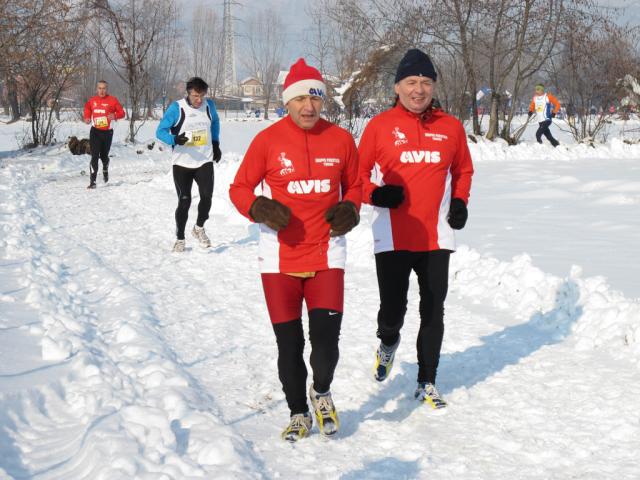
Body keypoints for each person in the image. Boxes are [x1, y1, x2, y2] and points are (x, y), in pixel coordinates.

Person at [229, 58, 361, 442]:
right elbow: (239, 188)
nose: (308, 107)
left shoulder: (339, 140)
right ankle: (298, 412)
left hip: (327, 254)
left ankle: (321, 393)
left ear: (323, 102)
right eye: (300, 99)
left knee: (325, 345)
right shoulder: (267, 141)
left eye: (315, 99)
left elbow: (356, 185)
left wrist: (351, 207)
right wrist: (257, 207)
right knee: (289, 345)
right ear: (287, 102)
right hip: (278, 259)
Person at [358, 49, 474, 409]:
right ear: (397, 87)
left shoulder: (451, 127)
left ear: (433, 86)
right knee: (393, 310)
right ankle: (388, 341)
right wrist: (376, 194)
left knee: (434, 308)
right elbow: (354, 178)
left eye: (426, 82)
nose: (419, 90)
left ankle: (427, 380)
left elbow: (463, 171)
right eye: (411, 82)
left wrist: (460, 202)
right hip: (392, 235)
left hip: (436, 235)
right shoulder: (379, 127)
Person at [156, 77, 221, 252]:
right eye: (195, 96)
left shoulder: (209, 106)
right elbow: (160, 131)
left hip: (204, 160)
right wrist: (174, 139)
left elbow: (215, 122)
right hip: (182, 163)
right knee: (184, 201)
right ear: (188, 93)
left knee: (207, 197)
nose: (199, 100)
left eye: (202, 96)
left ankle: (199, 228)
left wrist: (215, 143)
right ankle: (180, 239)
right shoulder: (177, 108)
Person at [83, 80, 125, 189]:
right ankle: (93, 182)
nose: (102, 91)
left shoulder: (113, 100)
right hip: (95, 132)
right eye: (100, 88)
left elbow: (122, 113)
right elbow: (87, 108)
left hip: (107, 133)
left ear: (107, 89)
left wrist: (115, 116)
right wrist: (87, 117)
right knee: (94, 156)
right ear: (97, 89)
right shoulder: (92, 100)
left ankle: (105, 167)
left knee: (104, 156)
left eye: (104, 88)